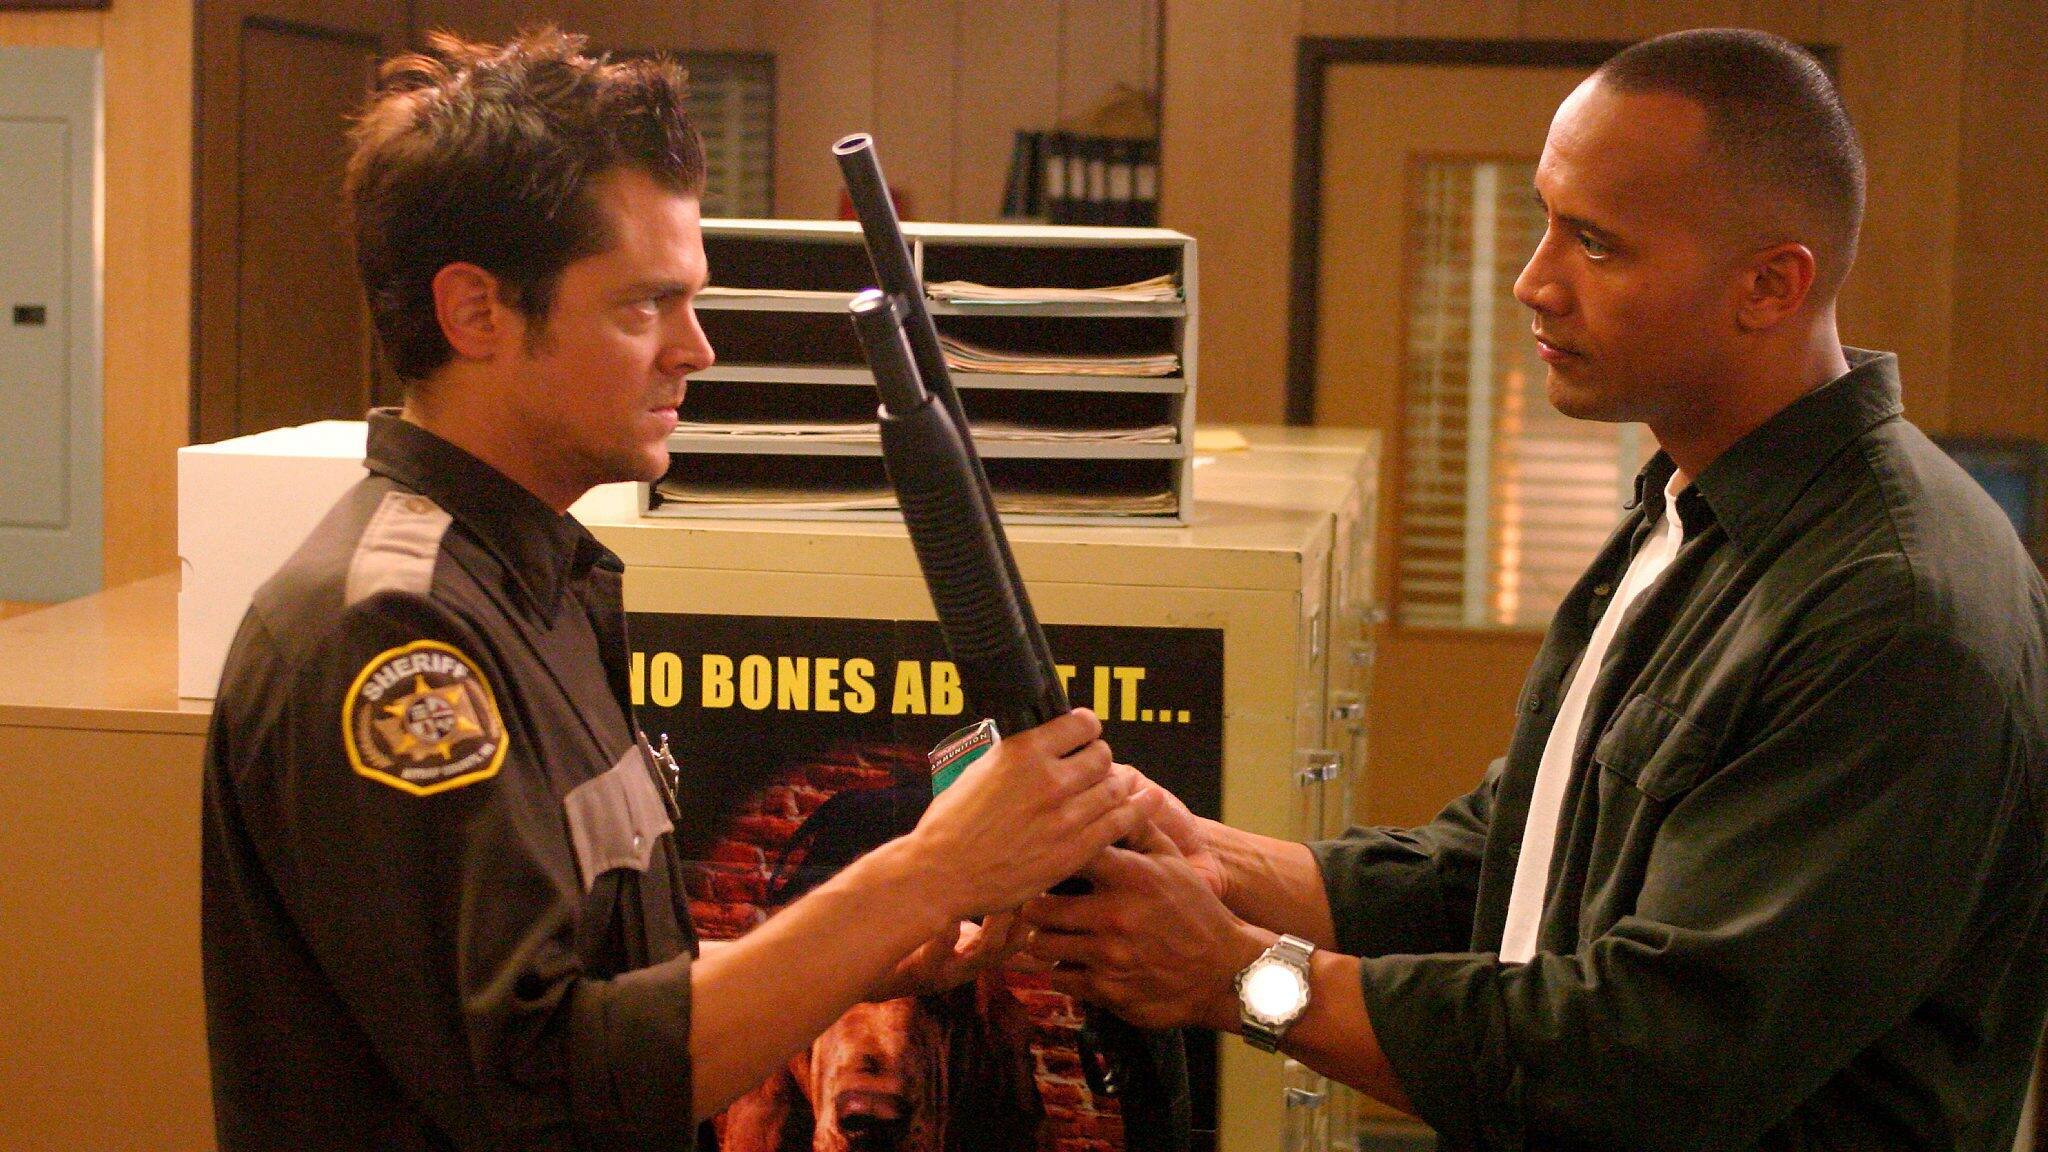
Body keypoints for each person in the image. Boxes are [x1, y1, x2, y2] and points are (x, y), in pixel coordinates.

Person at [1018, 27, 2048, 1151]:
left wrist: (1240, 979)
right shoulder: (1693, 507)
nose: (1533, 281)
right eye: (1546, 220)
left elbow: (1650, 1063)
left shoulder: (1889, 613)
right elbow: (1515, 865)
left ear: (1768, 285)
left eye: (1595, 244)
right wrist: (1209, 860)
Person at [200, 29, 1150, 1152]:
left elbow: (607, 986)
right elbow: (544, 1083)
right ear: (476, 313)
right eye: (643, 306)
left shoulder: (533, 582)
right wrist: (929, 872)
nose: (695, 349)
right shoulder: (395, 638)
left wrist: (866, 951)